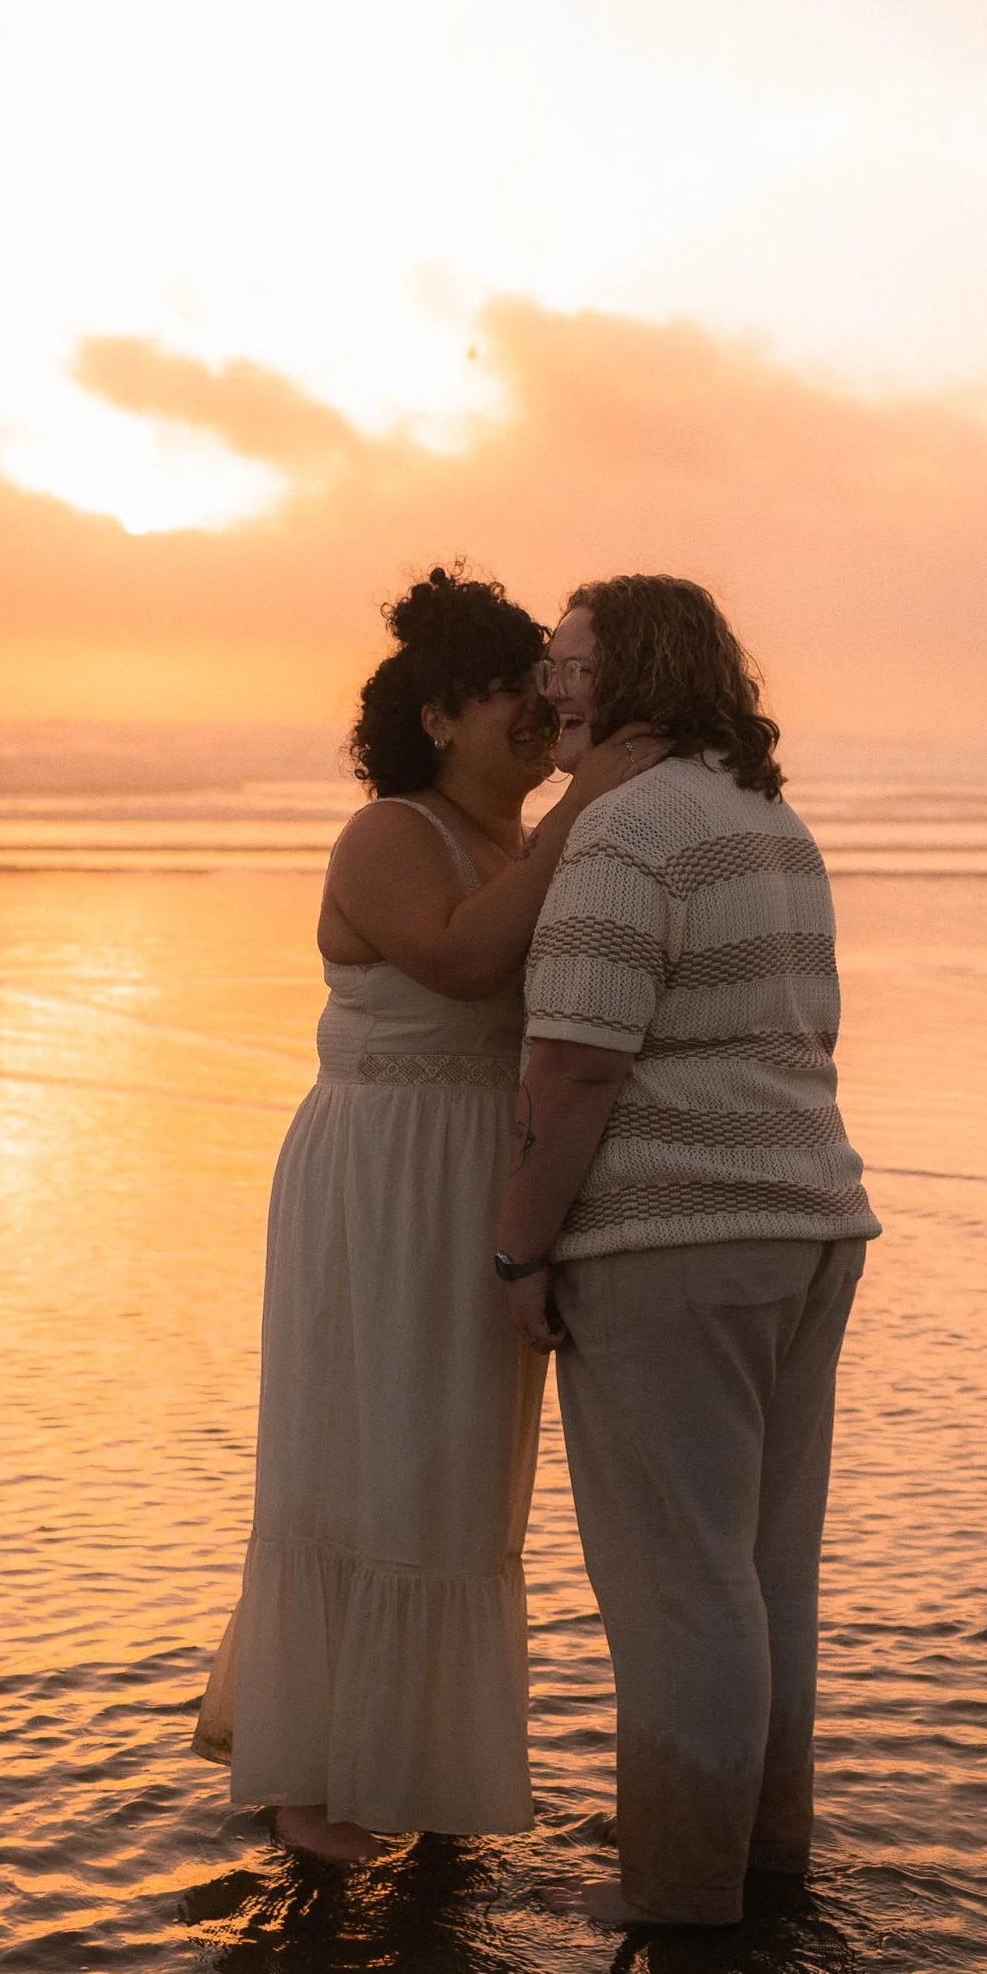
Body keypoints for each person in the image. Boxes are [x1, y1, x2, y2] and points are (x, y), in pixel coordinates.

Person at [195, 567, 660, 1864]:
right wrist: (586, 805)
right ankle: (320, 1781)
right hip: (378, 1183)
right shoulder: (391, 832)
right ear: (440, 717)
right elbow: (456, 955)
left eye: (541, 681)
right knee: (361, 1458)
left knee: (454, 1481)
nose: (537, 704)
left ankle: (418, 1767)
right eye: (509, 686)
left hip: (481, 1184)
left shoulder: (531, 842)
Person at [494, 576, 878, 1930]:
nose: (548, 682)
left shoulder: (626, 828)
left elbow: (577, 1062)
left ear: (638, 670)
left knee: (679, 1584)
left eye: (573, 659)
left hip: (676, 1236)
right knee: (764, 1572)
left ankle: (677, 1889)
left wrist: (519, 1250)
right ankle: (763, 1857)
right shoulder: (764, 813)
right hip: (813, 1218)